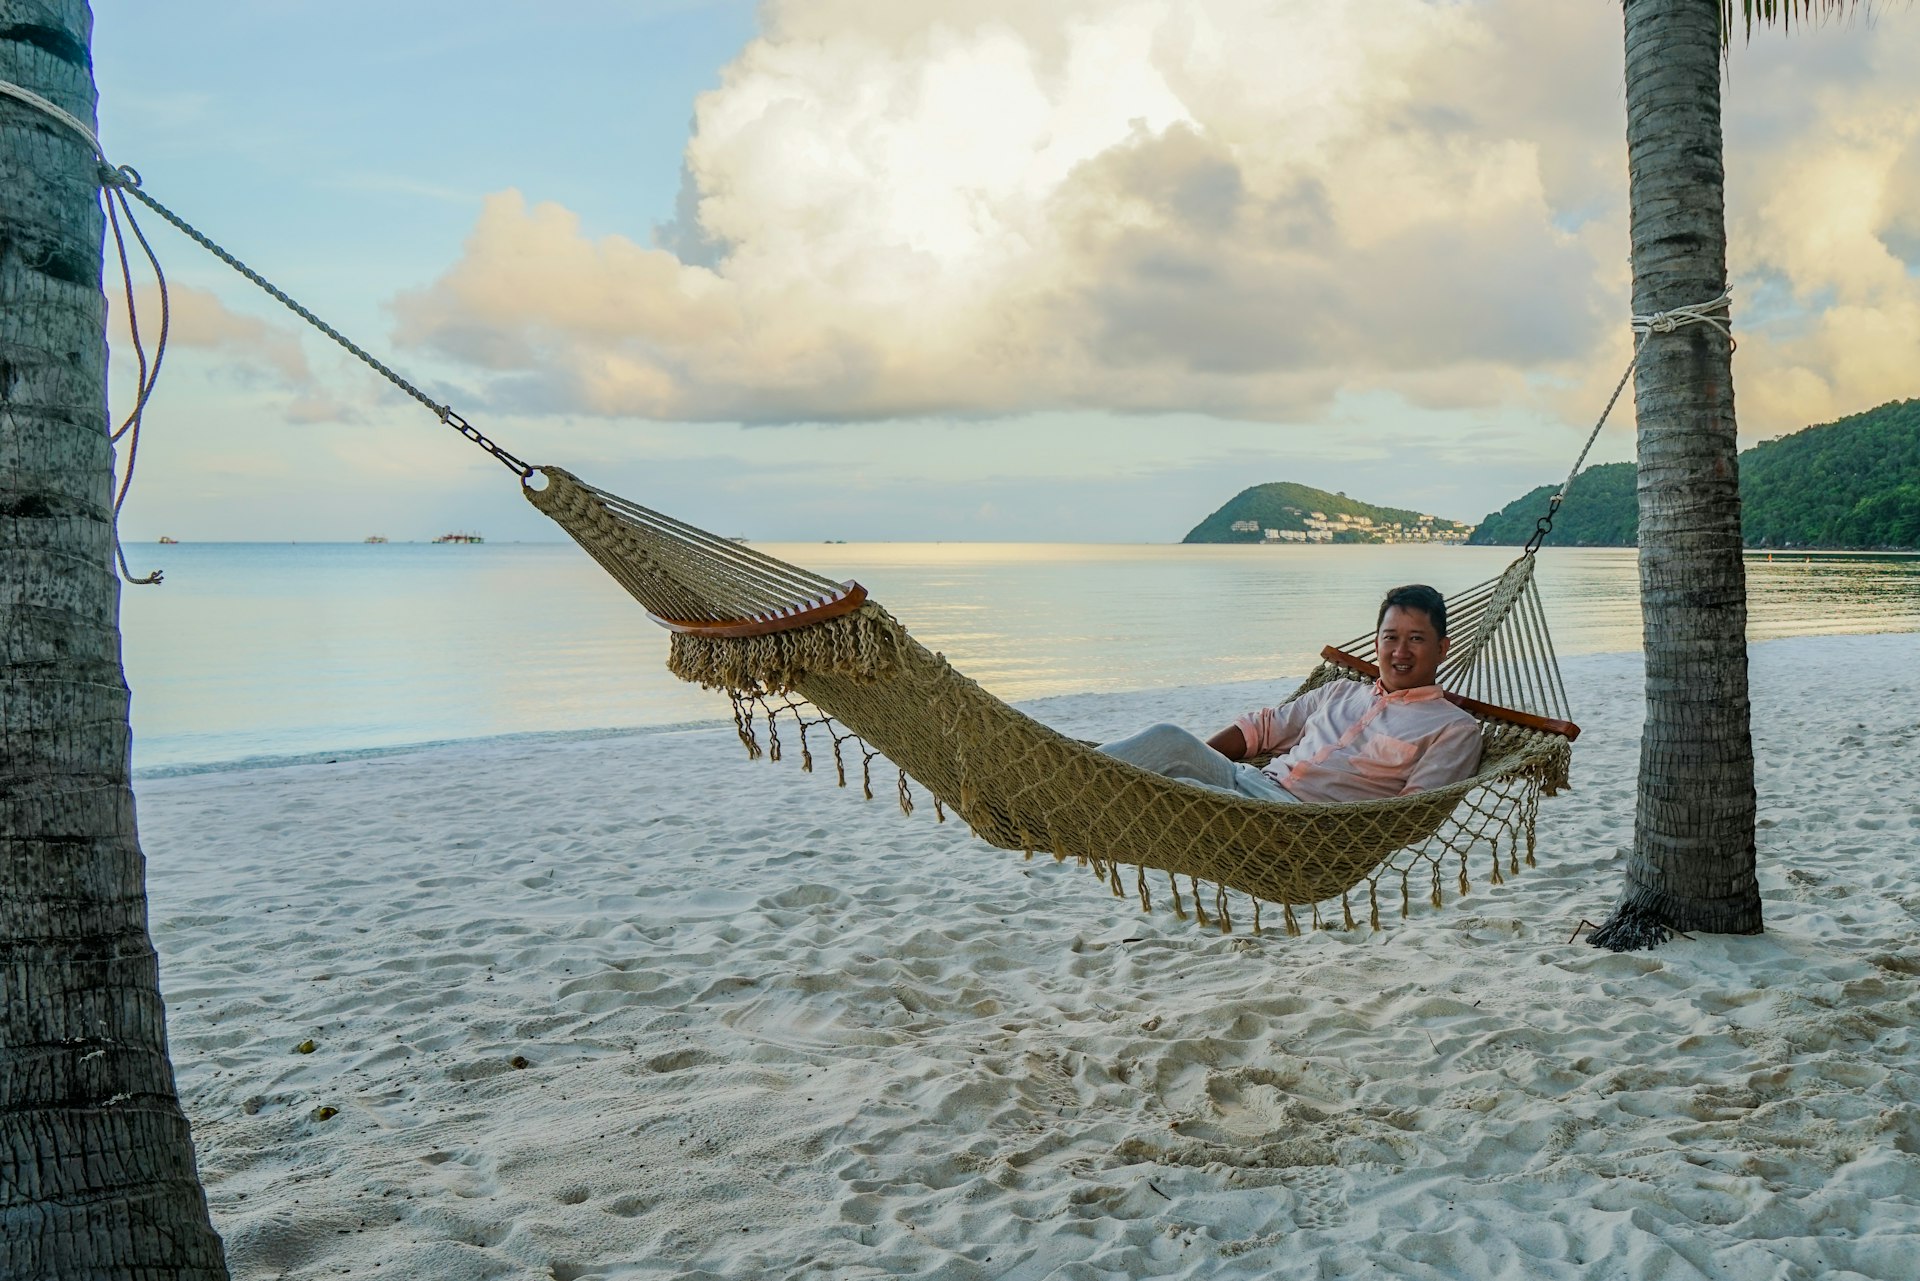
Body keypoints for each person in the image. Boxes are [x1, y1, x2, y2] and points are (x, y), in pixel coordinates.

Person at [1098, 584, 1481, 803]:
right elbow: (1262, 730)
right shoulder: (1339, 692)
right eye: (1391, 638)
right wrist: (1202, 761)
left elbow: (1413, 810)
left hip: (1299, 823)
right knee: (1170, 740)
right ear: (1376, 643)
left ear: (1442, 648)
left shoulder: (1453, 728)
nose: (1400, 652)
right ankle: (1068, 778)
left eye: (1416, 639)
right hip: (1251, 783)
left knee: (1181, 796)